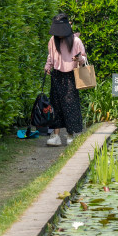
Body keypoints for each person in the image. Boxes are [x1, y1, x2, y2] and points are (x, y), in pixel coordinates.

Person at [43, 13, 87, 146]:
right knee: (56, 105)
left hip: (71, 75)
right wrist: (48, 66)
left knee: (70, 105)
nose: (59, 35)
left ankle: (70, 135)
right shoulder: (52, 40)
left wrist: (79, 58)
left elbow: (84, 58)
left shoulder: (76, 41)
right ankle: (55, 136)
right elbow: (50, 55)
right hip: (56, 75)